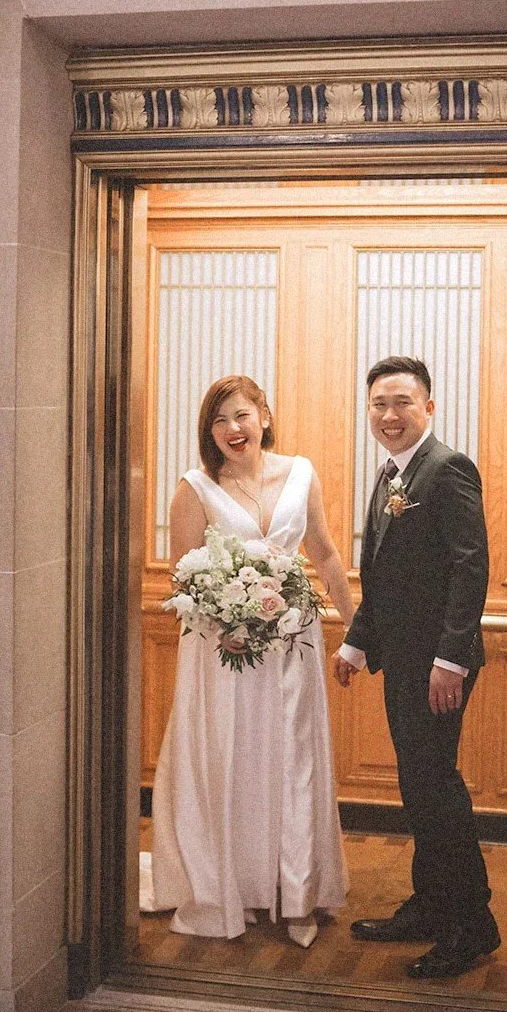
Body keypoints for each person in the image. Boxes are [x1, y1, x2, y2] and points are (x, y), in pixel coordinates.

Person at [146, 374, 353, 947]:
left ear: (264, 414)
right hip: (222, 652)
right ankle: (231, 884)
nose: (232, 429)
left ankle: (296, 891)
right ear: (208, 433)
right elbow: (182, 577)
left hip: (293, 642)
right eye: (219, 421)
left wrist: (356, 632)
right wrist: (224, 623)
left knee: (294, 759)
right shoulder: (195, 488)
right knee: (231, 757)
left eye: (241, 415)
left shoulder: (301, 473)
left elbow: (328, 555)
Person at [334, 356, 499, 978]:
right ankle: (430, 906)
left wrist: (451, 658)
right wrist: (355, 642)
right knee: (419, 788)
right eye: (379, 404)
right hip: (403, 661)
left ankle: (472, 924)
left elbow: (470, 566)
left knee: (437, 789)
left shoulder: (447, 469)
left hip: (438, 665)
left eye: (402, 403)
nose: (389, 415)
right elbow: (383, 577)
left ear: (428, 407)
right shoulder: (392, 475)